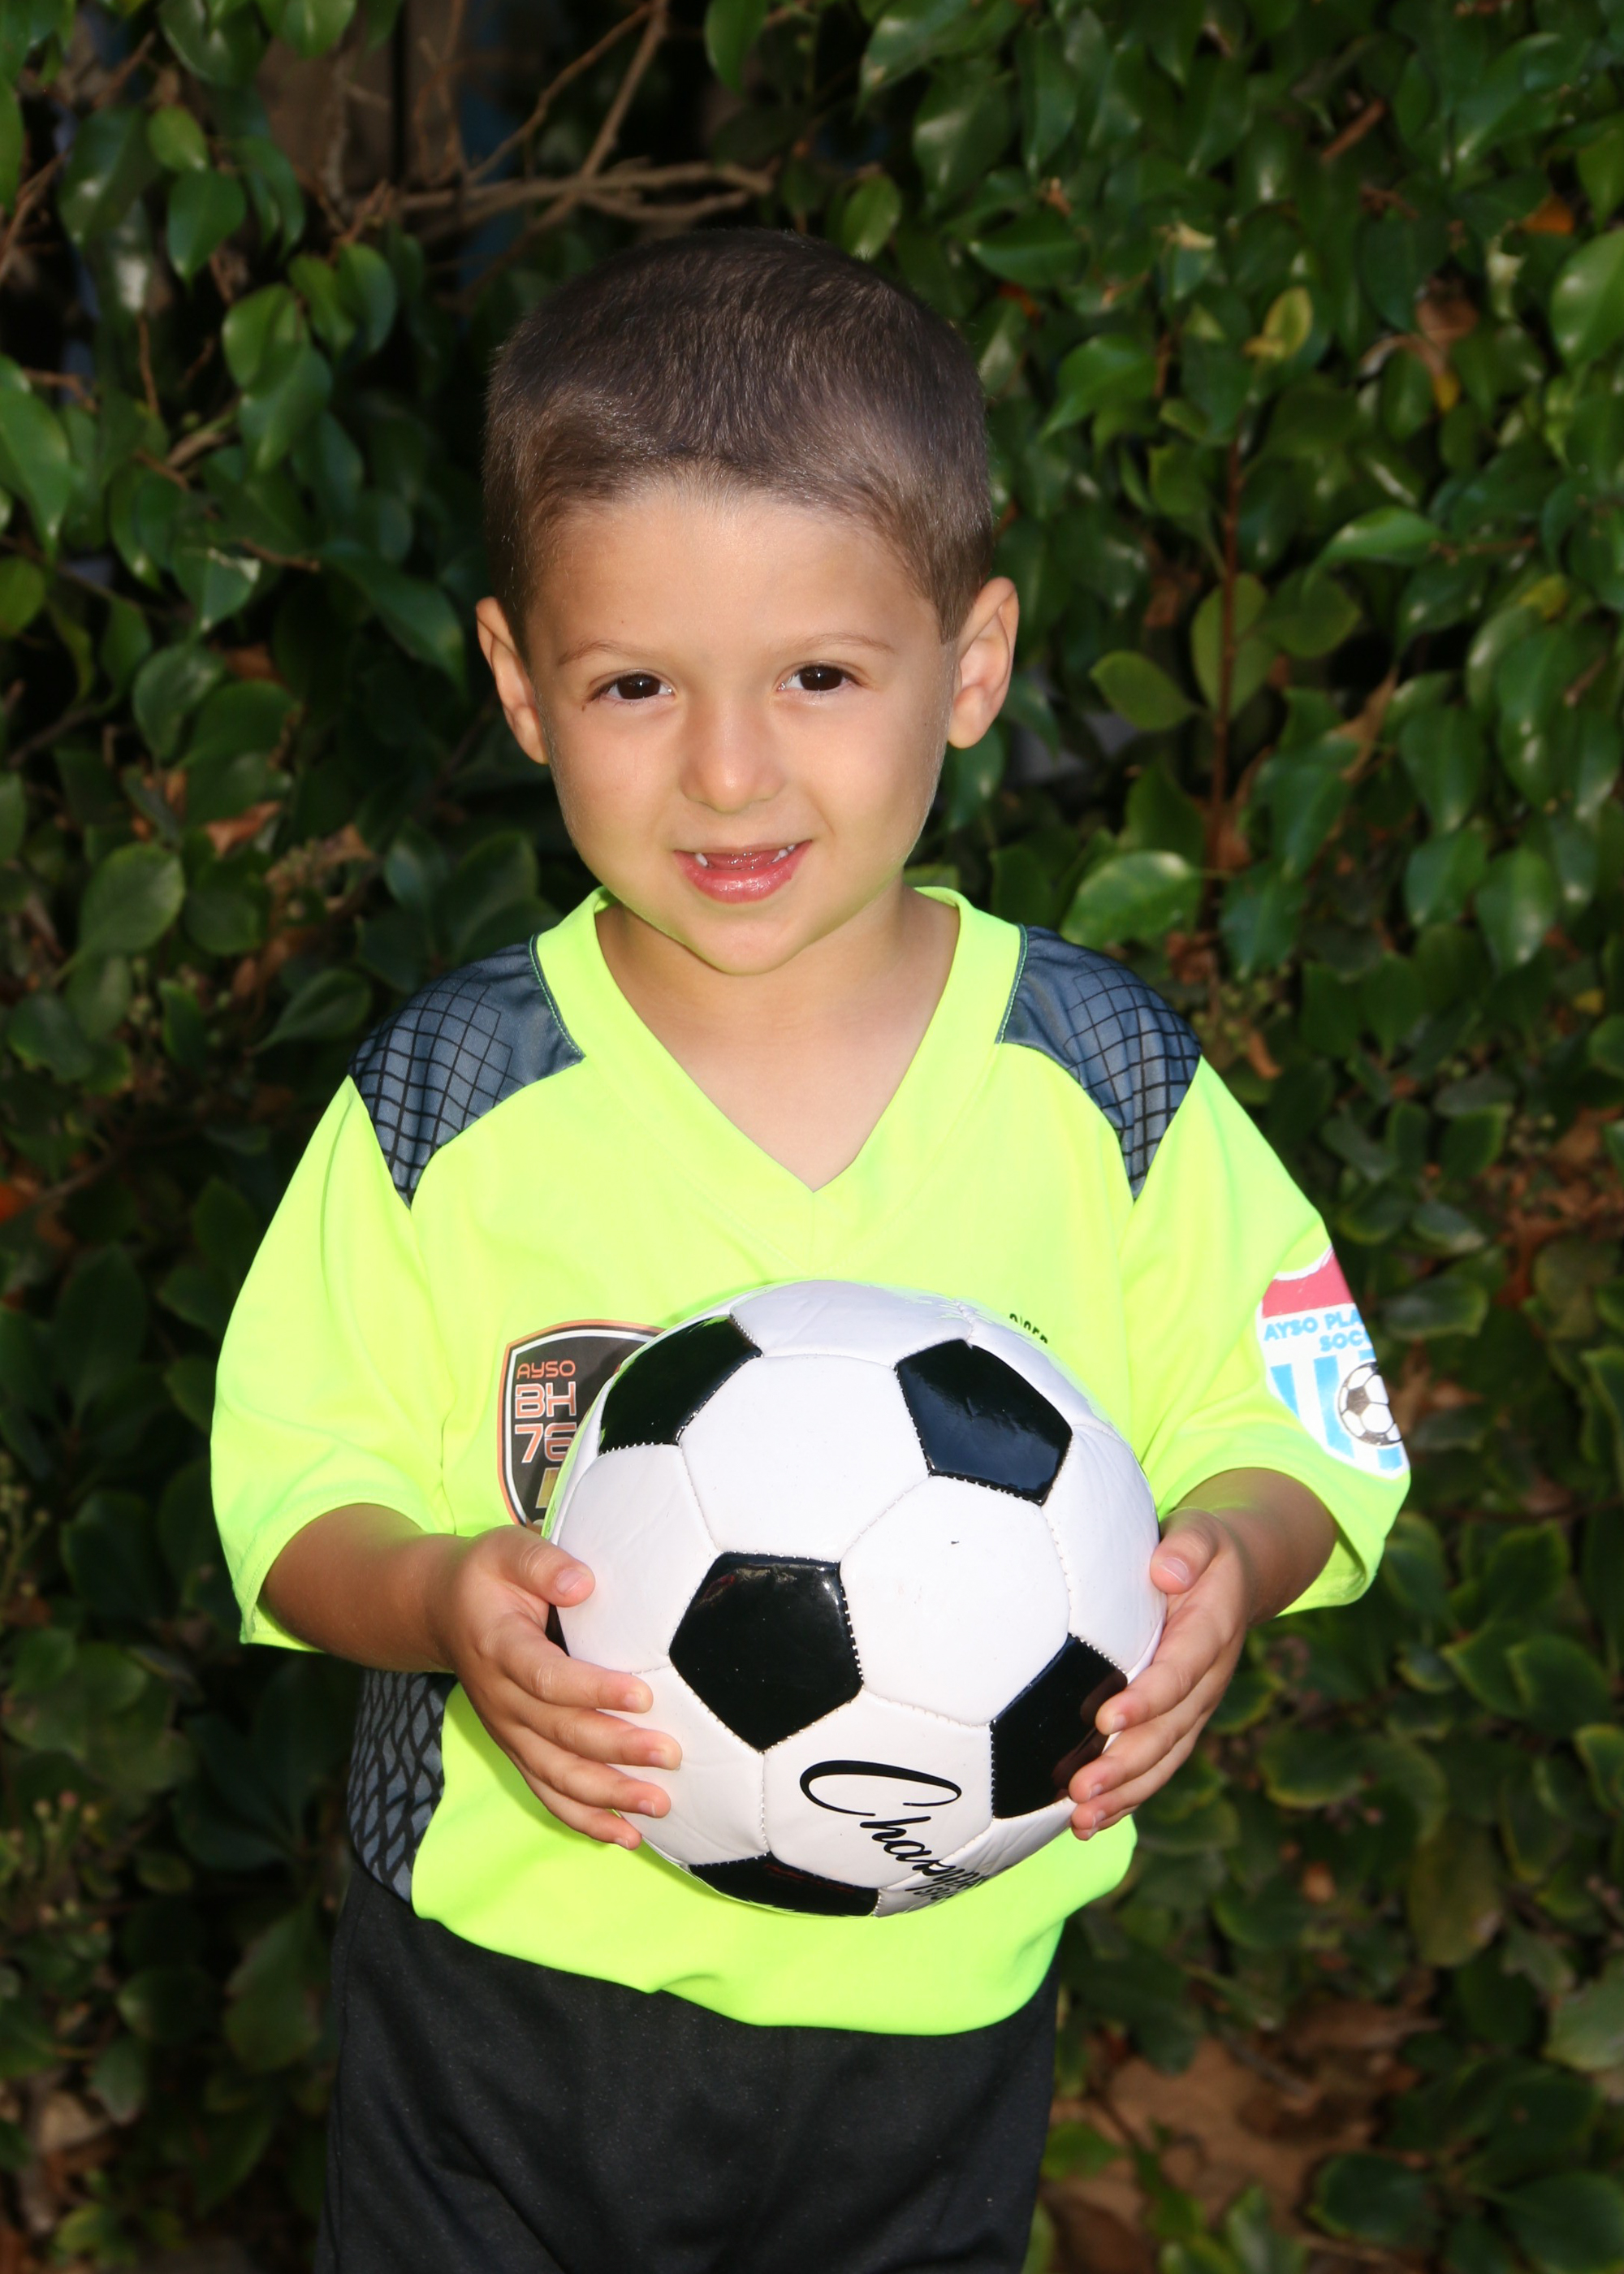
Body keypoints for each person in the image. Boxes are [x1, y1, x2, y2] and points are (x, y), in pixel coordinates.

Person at [212, 229, 1409, 2274]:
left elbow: (1306, 1418)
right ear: (518, 682)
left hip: (937, 2006)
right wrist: (433, 1597)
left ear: (974, 661)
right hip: (511, 1987)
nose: (729, 769)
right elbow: (289, 1486)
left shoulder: (1103, 1081)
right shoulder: (449, 1098)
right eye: (635, 684)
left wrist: (1233, 1559)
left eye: (820, 677)